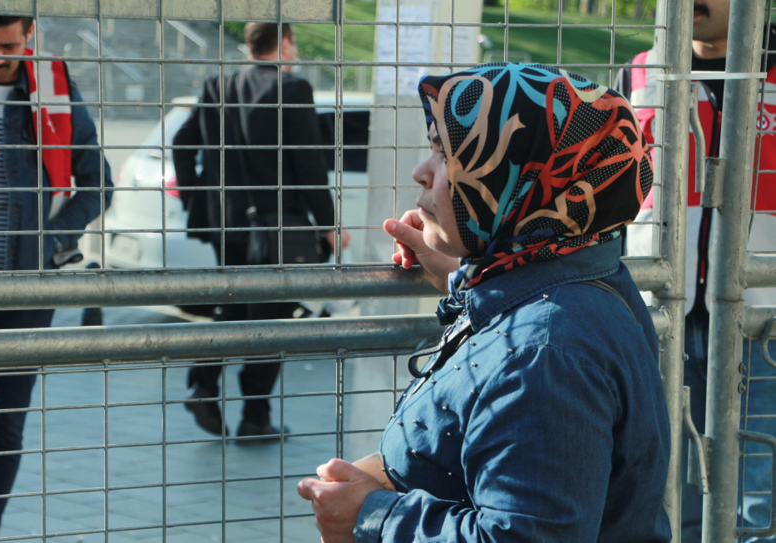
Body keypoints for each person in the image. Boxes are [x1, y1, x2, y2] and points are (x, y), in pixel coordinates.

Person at [297, 63, 671, 542]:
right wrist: (464, 273)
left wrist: (373, 516)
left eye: (445, 154)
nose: (421, 171)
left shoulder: (544, 354)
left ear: (516, 178)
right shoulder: (578, 272)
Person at [617, 1, 776, 539]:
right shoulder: (640, 72)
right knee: (667, 482)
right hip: (663, 316)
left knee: (761, 491)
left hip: (763, 321)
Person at [0, 14, 112, 541]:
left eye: (7, 44)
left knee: (3, 433)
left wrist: (48, 243)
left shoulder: (54, 85)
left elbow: (97, 183)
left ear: (31, 31)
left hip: (24, 291)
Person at [172, 22, 349, 441]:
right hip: (277, 224)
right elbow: (308, 164)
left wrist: (195, 198)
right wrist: (328, 224)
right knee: (273, 318)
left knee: (235, 303)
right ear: (284, 43)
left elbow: (182, 142)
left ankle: (203, 381)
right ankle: (254, 417)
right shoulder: (293, 89)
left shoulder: (218, 85)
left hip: (227, 223)